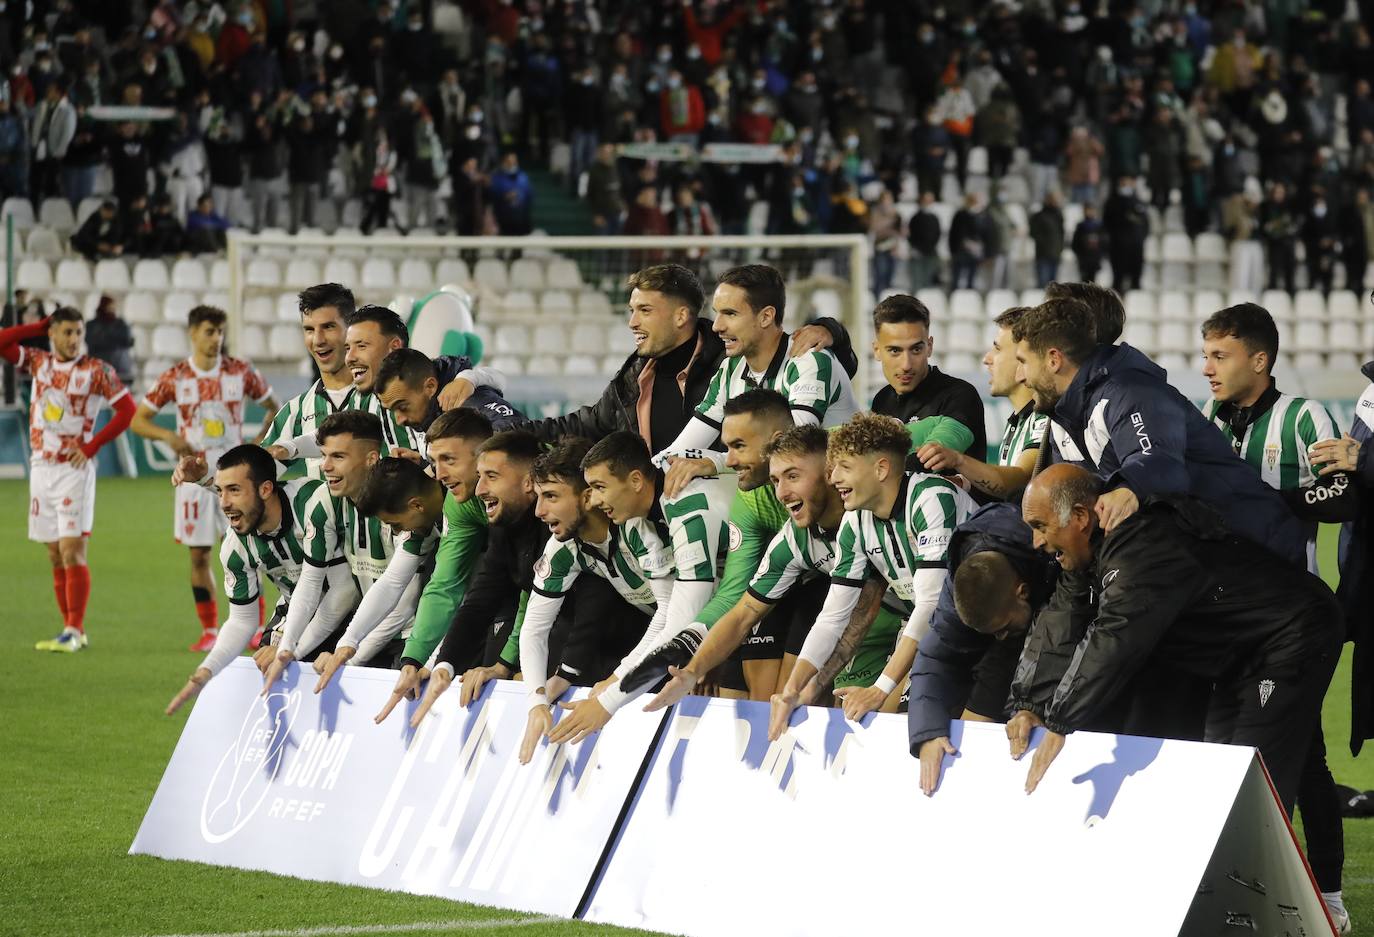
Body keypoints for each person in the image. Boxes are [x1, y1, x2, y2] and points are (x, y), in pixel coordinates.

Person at [1006, 465, 1342, 814]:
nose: (1037, 542)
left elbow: (1114, 638)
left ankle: (1301, 868)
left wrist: (1060, 719)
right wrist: (1029, 704)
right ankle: (1248, 866)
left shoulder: (1139, 547)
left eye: (1040, 526)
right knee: (1225, 775)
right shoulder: (1092, 553)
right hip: (1243, 653)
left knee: (1254, 781)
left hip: (1292, 634)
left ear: (1079, 517)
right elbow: (1058, 624)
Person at [1199, 302, 1356, 930]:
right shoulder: (1208, 419)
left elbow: (1342, 495)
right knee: (1288, 755)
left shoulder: (1303, 417)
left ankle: (1322, 898)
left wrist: (1264, 503)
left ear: (1259, 361)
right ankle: (1301, 895)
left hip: (1292, 618)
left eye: (1220, 355)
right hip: (1226, 617)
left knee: (1294, 759)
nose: (1206, 368)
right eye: (1206, 354)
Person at [1012, 298, 1306, 566]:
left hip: (1256, 552)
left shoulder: (1130, 392)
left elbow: (1158, 459)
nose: (1020, 375)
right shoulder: (1070, 413)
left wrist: (1129, 488)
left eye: (1023, 362)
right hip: (1205, 559)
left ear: (1053, 359)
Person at [644, 419, 907, 713]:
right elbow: (744, 613)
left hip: (924, 622)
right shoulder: (793, 539)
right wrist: (692, 670)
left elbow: (860, 618)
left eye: (792, 476)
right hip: (895, 623)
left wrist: (806, 690)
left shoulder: (867, 515)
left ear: (829, 474)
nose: (781, 493)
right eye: (775, 480)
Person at [474, 264, 847, 455]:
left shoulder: (731, 356)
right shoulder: (636, 376)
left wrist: (831, 329)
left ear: (681, 316)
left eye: (644, 310)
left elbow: (798, 443)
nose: (631, 322)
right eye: (632, 309)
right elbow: (588, 425)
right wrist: (508, 431)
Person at [769, 413, 977, 738]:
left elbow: (930, 605)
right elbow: (832, 617)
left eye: (844, 467)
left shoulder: (931, 498)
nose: (833, 477)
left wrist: (879, 689)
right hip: (939, 629)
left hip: (986, 630)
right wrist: (796, 688)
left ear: (881, 469)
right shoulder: (856, 521)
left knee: (920, 724)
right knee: (892, 722)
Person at [526, 431, 735, 743]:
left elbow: (677, 623)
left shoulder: (676, 511)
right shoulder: (640, 514)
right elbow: (666, 615)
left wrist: (610, 695)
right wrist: (537, 701)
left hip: (761, 595)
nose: (539, 511)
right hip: (717, 608)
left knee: (742, 697)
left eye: (598, 488)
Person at [163, 445, 357, 715]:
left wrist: (288, 648)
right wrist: (205, 672)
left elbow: (344, 593)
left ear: (266, 489)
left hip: (354, 610)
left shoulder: (310, 504)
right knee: (266, 669)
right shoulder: (234, 547)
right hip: (297, 611)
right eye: (219, 491)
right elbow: (242, 620)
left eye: (234, 490)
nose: (223, 503)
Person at [132, 306, 278, 652]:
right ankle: (210, 629)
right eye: (210, 332)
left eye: (221, 332)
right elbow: (138, 421)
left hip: (235, 479)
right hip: (194, 480)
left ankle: (254, 628)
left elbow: (274, 407)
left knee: (248, 551)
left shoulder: (240, 371)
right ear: (193, 333)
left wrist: (255, 445)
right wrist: (169, 437)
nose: (217, 339)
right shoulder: (176, 376)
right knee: (199, 556)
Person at [264, 414, 443, 691]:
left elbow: (401, 598)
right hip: (365, 630)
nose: (325, 466)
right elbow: (310, 583)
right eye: (323, 455)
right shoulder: (325, 502)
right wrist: (288, 649)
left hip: (410, 639)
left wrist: (350, 655)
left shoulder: (403, 503)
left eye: (338, 457)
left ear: (371, 459)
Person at [655, 264, 860, 495]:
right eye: (717, 313)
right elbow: (680, 450)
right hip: (781, 495)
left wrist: (717, 463)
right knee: (675, 473)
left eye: (730, 314)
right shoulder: (731, 368)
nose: (717, 326)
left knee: (704, 488)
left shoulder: (809, 360)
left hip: (834, 496)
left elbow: (793, 450)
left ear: (766, 316)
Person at [1, 308, 135, 653]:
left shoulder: (96, 370)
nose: (74, 339)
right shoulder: (37, 362)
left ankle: (74, 629)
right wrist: (34, 326)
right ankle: (71, 629)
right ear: (52, 334)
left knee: (72, 550)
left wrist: (91, 446)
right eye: (67, 333)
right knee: (53, 554)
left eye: (78, 332)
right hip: (41, 468)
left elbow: (127, 411)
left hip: (73, 470)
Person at [515, 439, 658, 762]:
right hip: (672, 639)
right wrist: (537, 701)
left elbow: (673, 615)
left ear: (588, 496)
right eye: (538, 497)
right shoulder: (563, 547)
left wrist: (617, 680)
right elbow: (534, 628)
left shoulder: (638, 528)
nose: (539, 511)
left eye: (550, 496)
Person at [907, 502, 1060, 796]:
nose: (1001, 637)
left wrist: (1034, 707)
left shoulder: (1053, 551)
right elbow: (934, 657)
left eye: (1002, 627)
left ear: (1022, 592)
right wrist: (928, 733)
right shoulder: (959, 590)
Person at [375, 408, 498, 721]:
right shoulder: (462, 505)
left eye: (449, 460)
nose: (439, 474)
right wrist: (414, 660)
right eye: (434, 461)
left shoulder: (532, 491)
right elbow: (445, 584)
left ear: (484, 455)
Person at [268, 305, 505, 466]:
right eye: (348, 347)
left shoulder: (430, 381)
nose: (349, 357)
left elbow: (498, 388)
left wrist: (471, 378)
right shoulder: (363, 397)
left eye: (361, 346)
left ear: (393, 347)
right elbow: (337, 434)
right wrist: (289, 448)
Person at [917, 306, 1046, 501]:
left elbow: (1020, 481)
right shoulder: (1019, 420)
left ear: (1023, 358)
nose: (987, 359)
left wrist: (959, 460)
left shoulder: (1045, 417)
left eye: (998, 348)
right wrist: (966, 484)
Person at [869, 294, 987, 461]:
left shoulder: (960, 396)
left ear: (929, 347)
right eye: (895, 351)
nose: (906, 365)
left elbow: (928, 464)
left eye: (916, 350)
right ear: (877, 350)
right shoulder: (881, 400)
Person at [374, 347, 522, 435]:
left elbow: (516, 435)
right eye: (392, 410)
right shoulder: (431, 415)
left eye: (403, 407)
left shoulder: (468, 401)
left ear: (430, 387)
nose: (399, 420)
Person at [1102, 175, 1149, 292]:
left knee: (1135, 270)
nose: (1125, 186)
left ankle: (1135, 288)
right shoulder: (1112, 202)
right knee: (1118, 272)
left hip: (1135, 243)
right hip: (1117, 243)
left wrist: (1140, 238)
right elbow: (1107, 222)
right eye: (1123, 184)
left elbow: (1145, 223)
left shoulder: (1138, 202)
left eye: (1127, 184)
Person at [84, 295, 134, 388]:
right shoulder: (92, 325)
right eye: (109, 306)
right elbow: (92, 341)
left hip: (120, 370)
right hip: (99, 371)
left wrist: (105, 338)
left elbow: (128, 341)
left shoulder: (121, 324)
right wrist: (113, 339)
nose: (112, 309)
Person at [1029, 193, 1065, 288]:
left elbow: (1061, 234)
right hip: (1043, 255)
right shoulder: (1039, 216)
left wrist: (1060, 249)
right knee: (1042, 284)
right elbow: (1033, 233)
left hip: (1055, 254)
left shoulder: (1058, 215)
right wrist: (1044, 244)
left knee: (1053, 287)